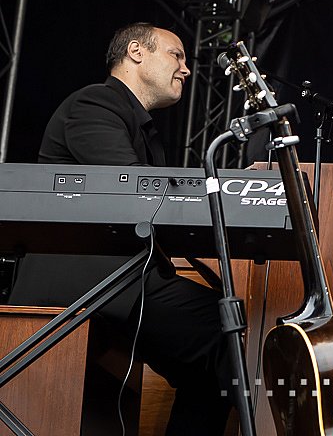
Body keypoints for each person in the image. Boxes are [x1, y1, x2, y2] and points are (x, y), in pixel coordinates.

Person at [10, 23, 233, 434]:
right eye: (176, 54)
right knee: (227, 332)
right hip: (86, 279)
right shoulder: (95, 103)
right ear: (136, 52)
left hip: (119, 280)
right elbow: (131, 187)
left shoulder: (138, 126)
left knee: (209, 366)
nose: (186, 69)